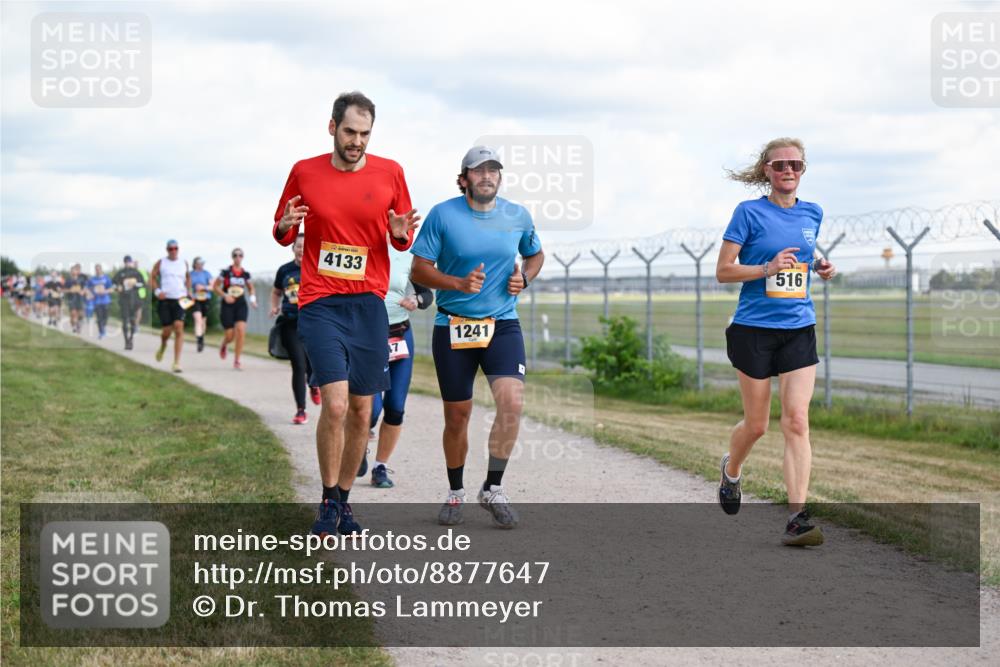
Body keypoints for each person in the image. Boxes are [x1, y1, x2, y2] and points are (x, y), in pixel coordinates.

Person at [272, 90, 419, 537]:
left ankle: (344, 501)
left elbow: (402, 237)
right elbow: (282, 230)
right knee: (335, 405)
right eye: (350, 131)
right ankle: (326, 500)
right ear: (332, 127)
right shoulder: (305, 171)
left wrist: (399, 235)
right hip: (320, 302)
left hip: (368, 304)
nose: (357, 141)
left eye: (365, 134)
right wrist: (285, 226)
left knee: (360, 409)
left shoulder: (391, 172)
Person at [410, 145, 544, 529]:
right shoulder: (443, 215)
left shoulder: (517, 215)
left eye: (493, 170)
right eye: (479, 170)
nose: (487, 176)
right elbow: (419, 270)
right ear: (464, 178)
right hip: (453, 325)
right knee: (457, 416)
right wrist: (457, 283)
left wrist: (524, 278)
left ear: (500, 177)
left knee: (512, 402)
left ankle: (493, 488)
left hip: (502, 323)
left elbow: (535, 255)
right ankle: (456, 492)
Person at [715, 137, 837, 547]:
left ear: (803, 170)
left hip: (799, 326)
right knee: (757, 425)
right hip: (753, 329)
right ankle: (732, 471)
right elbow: (724, 271)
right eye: (780, 164)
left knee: (797, 420)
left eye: (795, 165)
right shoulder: (748, 212)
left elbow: (801, 256)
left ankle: (797, 518)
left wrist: (818, 265)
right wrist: (766, 268)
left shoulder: (813, 212)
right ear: (766, 170)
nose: (788, 171)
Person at [358, 244, 434, 488]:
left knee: (396, 407)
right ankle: (357, 445)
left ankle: (380, 467)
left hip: (400, 334)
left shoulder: (407, 255)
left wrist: (416, 298)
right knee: (371, 410)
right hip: (367, 336)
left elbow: (427, 295)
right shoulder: (361, 246)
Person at [271, 234, 321, 424]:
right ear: (293, 249)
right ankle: (301, 410)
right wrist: (274, 306)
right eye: (299, 246)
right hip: (290, 322)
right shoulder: (284, 270)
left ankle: (314, 384)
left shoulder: (317, 268)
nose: (302, 249)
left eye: (305, 246)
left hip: (313, 323)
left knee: (312, 362)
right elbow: (276, 292)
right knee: (298, 365)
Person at [150, 240, 192, 373]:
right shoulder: (161, 262)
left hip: (180, 299)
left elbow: (188, 278)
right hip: (165, 300)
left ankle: (177, 362)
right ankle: (163, 345)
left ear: (178, 249)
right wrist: (157, 291)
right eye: (170, 249)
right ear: (167, 250)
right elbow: (152, 278)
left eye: (175, 248)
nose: (173, 251)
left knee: (179, 327)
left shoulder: (184, 263)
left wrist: (189, 291)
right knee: (166, 332)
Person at [214, 248, 256, 370]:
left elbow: (251, 288)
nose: (238, 257)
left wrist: (253, 299)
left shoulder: (245, 274)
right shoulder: (225, 272)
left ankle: (237, 360)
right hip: (228, 304)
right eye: (235, 255)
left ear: (242, 257)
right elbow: (215, 286)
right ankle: (224, 344)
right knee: (230, 335)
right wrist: (225, 296)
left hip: (240, 304)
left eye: (240, 255)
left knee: (241, 330)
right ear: (232, 257)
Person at [112, 255, 146, 350]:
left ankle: (131, 339)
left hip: (134, 299)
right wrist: (117, 287)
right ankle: (126, 341)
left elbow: (142, 284)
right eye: (126, 262)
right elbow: (113, 283)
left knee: (132, 320)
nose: (127, 263)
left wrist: (134, 285)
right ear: (124, 263)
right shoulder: (120, 273)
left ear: (131, 262)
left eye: (129, 261)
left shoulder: (136, 273)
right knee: (125, 321)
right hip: (124, 299)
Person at [190, 257, 213, 352]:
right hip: (194, 299)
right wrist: (190, 293)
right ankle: (199, 340)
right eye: (199, 263)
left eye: (202, 263)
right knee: (198, 319)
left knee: (203, 321)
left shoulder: (207, 274)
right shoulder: (190, 274)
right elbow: (186, 286)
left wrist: (203, 287)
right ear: (195, 264)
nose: (201, 265)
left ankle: (201, 338)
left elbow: (212, 287)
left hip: (205, 298)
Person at [87, 264, 114, 339]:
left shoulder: (106, 278)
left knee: (105, 317)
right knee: (99, 317)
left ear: (101, 270)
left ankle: (103, 327)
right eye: (96, 269)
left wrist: (105, 291)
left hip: (105, 300)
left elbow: (111, 289)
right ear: (95, 270)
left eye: (99, 269)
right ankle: (102, 333)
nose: (98, 270)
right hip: (96, 301)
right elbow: (88, 288)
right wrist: (90, 294)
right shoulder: (92, 279)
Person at [65, 264, 88, 334]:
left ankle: (79, 324)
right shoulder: (68, 280)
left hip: (80, 299)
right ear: (70, 272)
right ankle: (74, 327)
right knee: (73, 314)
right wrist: (70, 290)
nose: (73, 272)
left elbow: (85, 287)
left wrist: (83, 291)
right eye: (72, 270)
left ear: (77, 271)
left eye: (75, 270)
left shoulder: (81, 279)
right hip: (71, 299)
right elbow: (64, 290)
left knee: (81, 314)